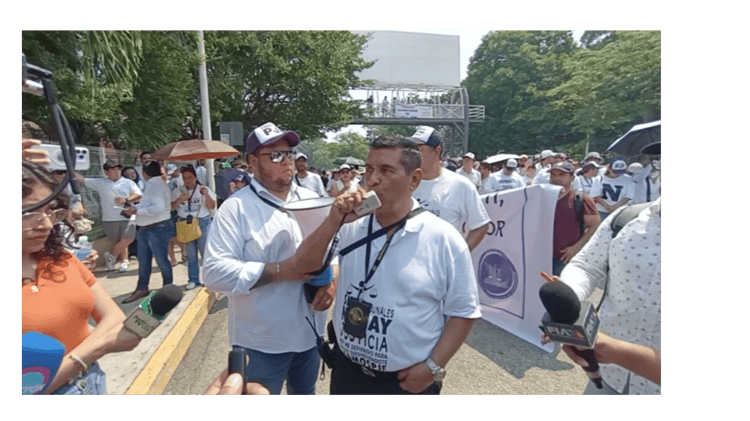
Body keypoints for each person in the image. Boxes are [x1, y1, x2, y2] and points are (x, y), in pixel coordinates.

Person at [292, 135, 482, 395]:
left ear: (414, 179)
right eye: (369, 169)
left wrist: (433, 367)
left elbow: (464, 311)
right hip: (348, 373)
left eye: (386, 170)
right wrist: (332, 221)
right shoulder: (351, 225)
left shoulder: (443, 238)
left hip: (406, 383)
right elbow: (303, 265)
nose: (372, 179)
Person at [202, 122, 335, 395]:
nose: (287, 161)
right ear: (252, 162)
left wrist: (331, 279)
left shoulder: (312, 199)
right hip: (260, 342)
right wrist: (281, 271)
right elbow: (214, 274)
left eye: (289, 153)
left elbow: (334, 249)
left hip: (309, 335)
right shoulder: (236, 209)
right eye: (275, 155)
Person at [550, 143, 662, 395]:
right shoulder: (627, 220)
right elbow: (586, 266)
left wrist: (614, 350)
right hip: (607, 377)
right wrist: (566, 302)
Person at [22, 161, 141, 394]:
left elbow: (114, 316)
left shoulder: (61, 258)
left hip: (94, 384)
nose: (45, 224)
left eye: (49, 211)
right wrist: (96, 348)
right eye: (29, 213)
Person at [409, 126, 490, 251]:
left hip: (441, 266)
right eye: (411, 149)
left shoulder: (460, 185)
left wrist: (460, 255)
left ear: (437, 151)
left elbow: (481, 224)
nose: (413, 154)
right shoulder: (403, 182)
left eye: (418, 149)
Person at [74, 160, 142, 273]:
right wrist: (67, 167)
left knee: (128, 239)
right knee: (120, 241)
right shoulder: (100, 182)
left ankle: (111, 257)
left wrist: (125, 200)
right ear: (106, 172)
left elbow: (138, 195)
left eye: (118, 169)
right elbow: (81, 179)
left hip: (126, 216)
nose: (116, 171)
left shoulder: (128, 182)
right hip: (109, 218)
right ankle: (123, 261)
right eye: (113, 169)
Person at [121, 161, 174, 304]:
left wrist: (137, 211)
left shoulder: (154, 185)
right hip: (148, 227)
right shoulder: (158, 184)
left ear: (145, 173)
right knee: (144, 260)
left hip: (156, 228)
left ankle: (167, 289)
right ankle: (142, 288)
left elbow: (157, 207)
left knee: (161, 260)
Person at [548, 162, 601, 276]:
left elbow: (595, 226)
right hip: (543, 256)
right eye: (553, 174)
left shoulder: (581, 199)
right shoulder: (543, 197)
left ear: (572, 177)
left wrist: (576, 248)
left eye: (561, 175)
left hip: (565, 256)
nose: (556, 178)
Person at [172, 165, 216, 290]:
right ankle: (193, 279)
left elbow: (212, 206)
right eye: (185, 178)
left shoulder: (203, 189)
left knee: (205, 252)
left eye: (190, 177)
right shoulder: (179, 190)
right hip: (185, 222)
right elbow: (171, 207)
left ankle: (209, 279)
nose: (188, 180)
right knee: (190, 253)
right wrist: (180, 200)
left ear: (196, 177)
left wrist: (206, 195)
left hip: (202, 221)